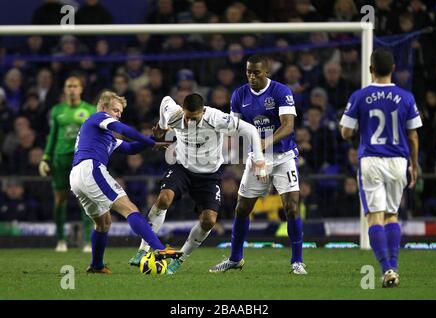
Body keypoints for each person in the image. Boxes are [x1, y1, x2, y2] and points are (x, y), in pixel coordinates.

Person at [129, 93, 267, 274]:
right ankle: (143, 250)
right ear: (183, 111)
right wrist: (163, 125)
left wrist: (259, 160)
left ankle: (180, 258)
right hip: (183, 168)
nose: (189, 122)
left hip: (209, 176)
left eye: (194, 118)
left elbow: (249, 130)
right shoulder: (175, 115)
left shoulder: (216, 118)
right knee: (163, 199)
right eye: (187, 117)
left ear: (203, 111)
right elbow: (165, 100)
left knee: (209, 220)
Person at [209, 55, 307, 275]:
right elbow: (233, 127)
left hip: (283, 156)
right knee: (242, 208)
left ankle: (297, 262)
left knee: (291, 207)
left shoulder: (281, 92)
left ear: (267, 72)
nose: (252, 77)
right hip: (257, 158)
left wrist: (266, 141)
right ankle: (235, 258)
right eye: (249, 72)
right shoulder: (239, 95)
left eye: (257, 73)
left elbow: (289, 126)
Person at [69, 91, 182, 274]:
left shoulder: (105, 135)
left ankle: (96, 265)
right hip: (91, 169)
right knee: (130, 209)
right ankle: (159, 248)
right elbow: (124, 130)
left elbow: (130, 148)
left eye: (120, 113)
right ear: (104, 107)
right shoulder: (99, 117)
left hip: (77, 176)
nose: (118, 116)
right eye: (116, 110)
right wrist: (150, 142)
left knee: (103, 222)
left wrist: (153, 139)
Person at [339, 48, 422, 288]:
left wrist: (355, 127)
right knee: (392, 215)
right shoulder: (406, 97)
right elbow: (413, 136)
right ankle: (393, 267)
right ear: (393, 69)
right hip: (399, 162)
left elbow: (345, 132)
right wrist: (414, 165)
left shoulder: (360, 96)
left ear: (370, 69)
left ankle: (387, 269)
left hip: (371, 160)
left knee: (374, 216)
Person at [39, 77, 96, 252]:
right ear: (65, 89)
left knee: (84, 199)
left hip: (81, 158)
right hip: (60, 158)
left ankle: (87, 241)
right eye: (68, 86)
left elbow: (96, 135)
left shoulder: (90, 110)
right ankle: (61, 240)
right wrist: (45, 157)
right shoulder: (57, 110)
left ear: (81, 89)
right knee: (60, 199)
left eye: (75, 86)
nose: (71, 89)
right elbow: (53, 135)